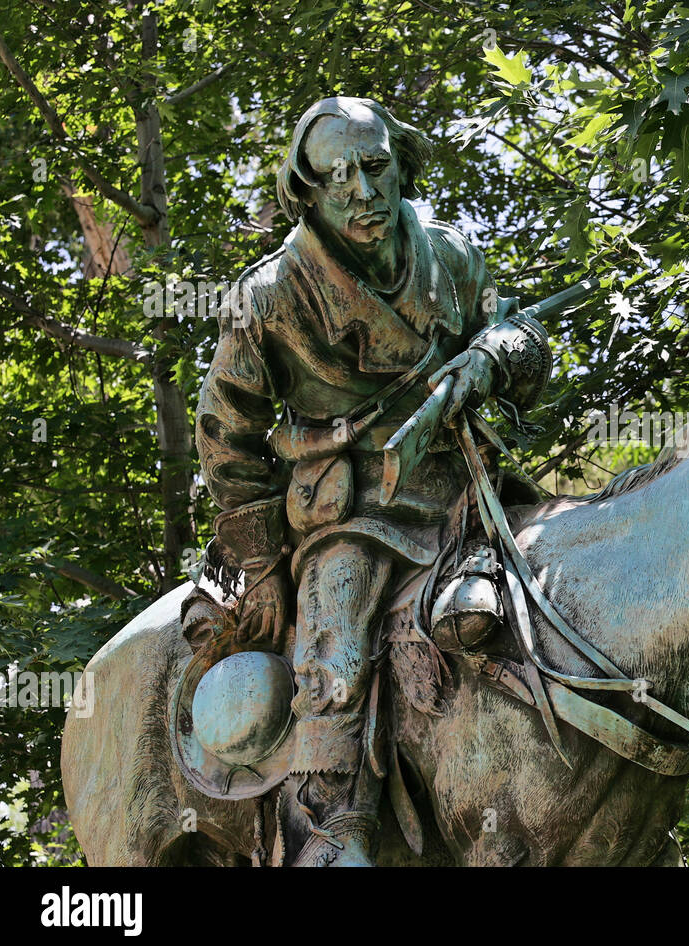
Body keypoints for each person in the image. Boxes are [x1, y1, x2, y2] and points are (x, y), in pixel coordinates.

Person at [194, 96, 552, 865]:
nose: (364, 190)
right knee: (338, 650)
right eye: (339, 175)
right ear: (309, 190)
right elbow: (225, 434)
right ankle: (331, 828)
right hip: (352, 507)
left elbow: (515, 328)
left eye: (377, 166)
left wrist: (492, 358)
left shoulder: (450, 255)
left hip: (466, 486)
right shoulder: (267, 299)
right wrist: (259, 564)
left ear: (400, 165)